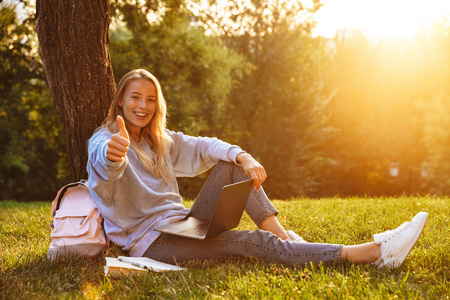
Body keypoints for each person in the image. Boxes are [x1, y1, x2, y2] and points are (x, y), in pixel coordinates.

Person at [87, 69, 428, 269]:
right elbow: (104, 165)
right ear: (120, 100)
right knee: (250, 241)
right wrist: (115, 156)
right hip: (152, 243)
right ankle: (368, 254)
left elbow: (206, 146)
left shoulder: (159, 140)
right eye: (134, 97)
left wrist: (243, 157)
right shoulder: (104, 141)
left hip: (181, 224)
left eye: (149, 99)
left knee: (231, 166)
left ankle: (290, 240)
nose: (142, 106)